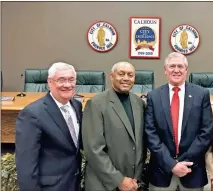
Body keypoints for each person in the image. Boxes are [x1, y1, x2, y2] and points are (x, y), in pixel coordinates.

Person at [145, 52, 213, 191]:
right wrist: (171, 164)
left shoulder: (201, 95)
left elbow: (206, 132)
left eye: (180, 66)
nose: (176, 70)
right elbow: (150, 133)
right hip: (161, 172)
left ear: (186, 70)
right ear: (165, 70)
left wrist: (182, 163)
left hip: (192, 170)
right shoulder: (153, 96)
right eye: (172, 66)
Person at [15, 62, 83, 191]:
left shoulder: (76, 106)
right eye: (61, 80)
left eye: (71, 80)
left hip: (73, 183)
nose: (67, 85)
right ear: (50, 82)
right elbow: (26, 166)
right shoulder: (31, 114)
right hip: (50, 187)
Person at [82, 61, 146, 191]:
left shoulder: (139, 103)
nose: (126, 78)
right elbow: (94, 150)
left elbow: (140, 144)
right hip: (103, 183)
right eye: (121, 74)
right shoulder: (96, 103)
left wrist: (135, 179)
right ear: (111, 76)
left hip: (132, 182)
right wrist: (118, 180)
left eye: (130, 75)